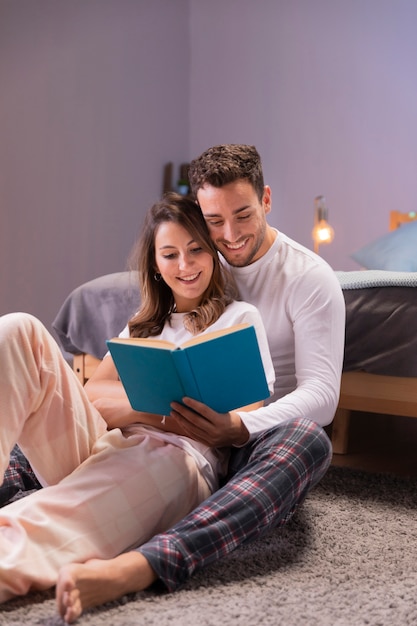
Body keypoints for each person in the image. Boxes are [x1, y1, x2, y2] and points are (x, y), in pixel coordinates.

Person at [55, 144, 346, 623]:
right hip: (174, 432)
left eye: (243, 214)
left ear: (267, 199)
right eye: (213, 221)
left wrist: (236, 427)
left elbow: (322, 396)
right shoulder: (196, 261)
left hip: (258, 433)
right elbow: (111, 376)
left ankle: (146, 564)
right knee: (63, 415)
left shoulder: (309, 279)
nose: (229, 236)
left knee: (309, 442)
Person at [0, 192, 275, 603]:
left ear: (212, 252)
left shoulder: (239, 318)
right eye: (170, 254)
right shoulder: (143, 327)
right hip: (110, 444)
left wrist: (148, 415)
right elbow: (93, 395)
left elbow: (243, 415)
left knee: (62, 512)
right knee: (17, 329)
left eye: (196, 249)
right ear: (155, 264)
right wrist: (160, 412)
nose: (184, 265)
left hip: (179, 460)